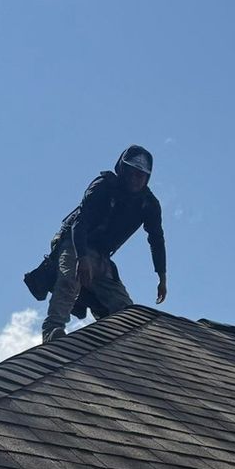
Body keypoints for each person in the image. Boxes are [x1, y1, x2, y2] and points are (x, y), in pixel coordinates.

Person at [28, 145, 168, 341]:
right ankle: (53, 330)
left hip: (102, 257)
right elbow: (80, 223)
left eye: (141, 175)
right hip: (76, 245)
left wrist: (161, 276)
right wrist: (82, 258)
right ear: (123, 170)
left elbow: (156, 238)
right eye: (131, 172)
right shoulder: (104, 186)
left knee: (125, 309)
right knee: (70, 280)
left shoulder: (148, 204)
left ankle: (124, 343)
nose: (135, 179)